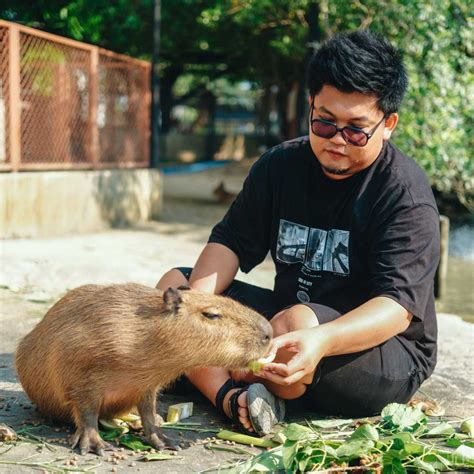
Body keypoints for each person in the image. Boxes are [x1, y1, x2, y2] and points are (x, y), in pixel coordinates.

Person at [156, 29, 440, 435]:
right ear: (311, 106)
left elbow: (396, 308)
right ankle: (232, 398)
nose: (337, 141)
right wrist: (198, 308)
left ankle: (224, 371)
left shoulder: (404, 194)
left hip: (379, 348)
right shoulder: (279, 167)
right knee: (175, 289)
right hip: (287, 321)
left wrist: (321, 341)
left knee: (294, 326)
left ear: (388, 123)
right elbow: (230, 242)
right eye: (325, 123)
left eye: (356, 130)